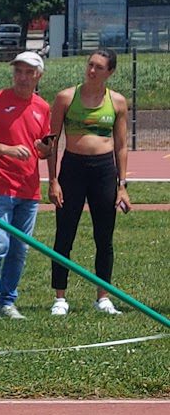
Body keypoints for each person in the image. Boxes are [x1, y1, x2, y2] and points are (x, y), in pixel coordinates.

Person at [0, 51, 53, 324]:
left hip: (29, 189)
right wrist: (5, 149)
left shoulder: (43, 107)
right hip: (0, 186)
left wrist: (43, 149)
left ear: (38, 76)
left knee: (20, 249)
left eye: (29, 72)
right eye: (18, 71)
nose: (22, 77)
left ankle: (8, 302)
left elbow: (45, 149)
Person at [46, 49, 131, 316]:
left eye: (99, 67)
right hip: (72, 168)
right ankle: (60, 297)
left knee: (104, 237)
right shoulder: (65, 98)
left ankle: (103, 296)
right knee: (64, 234)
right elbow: (52, 141)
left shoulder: (117, 102)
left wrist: (122, 186)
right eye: (90, 65)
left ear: (110, 72)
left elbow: (121, 146)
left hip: (104, 171)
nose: (92, 70)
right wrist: (53, 180)